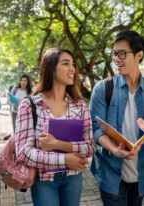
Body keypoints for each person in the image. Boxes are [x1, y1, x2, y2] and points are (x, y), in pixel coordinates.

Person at [89, 30, 144, 206]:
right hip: (110, 175)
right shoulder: (103, 89)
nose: (116, 58)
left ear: (139, 55)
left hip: (141, 176)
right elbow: (94, 129)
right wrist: (114, 149)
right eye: (114, 54)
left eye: (122, 53)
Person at [15, 48, 95, 206]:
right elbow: (23, 152)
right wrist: (64, 159)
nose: (72, 68)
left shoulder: (80, 107)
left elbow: (91, 147)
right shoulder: (29, 105)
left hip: (73, 178)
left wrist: (57, 144)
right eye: (66, 63)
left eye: (73, 64)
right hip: (44, 180)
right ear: (51, 68)